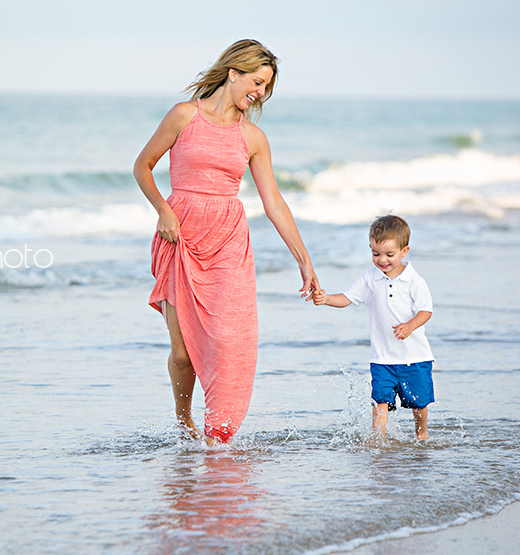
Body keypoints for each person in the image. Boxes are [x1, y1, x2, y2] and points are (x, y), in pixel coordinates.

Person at [133, 39, 319, 444]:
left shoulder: (253, 138)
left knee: (227, 341)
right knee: (183, 355)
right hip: (180, 237)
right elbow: (142, 166)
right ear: (233, 72)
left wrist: (303, 260)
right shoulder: (184, 116)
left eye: (267, 87)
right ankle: (185, 422)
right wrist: (164, 210)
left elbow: (274, 202)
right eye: (257, 81)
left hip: (228, 243)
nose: (261, 92)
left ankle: (218, 432)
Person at [312, 215, 435, 441]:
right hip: (382, 358)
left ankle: (422, 433)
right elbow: (347, 298)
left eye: (390, 255)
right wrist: (326, 298)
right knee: (380, 400)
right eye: (375, 254)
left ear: (404, 251)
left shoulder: (414, 280)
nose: (382, 260)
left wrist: (410, 326)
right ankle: (379, 439)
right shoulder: (369, 278)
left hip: (415, 356)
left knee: (419, 401)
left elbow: (426, 310)